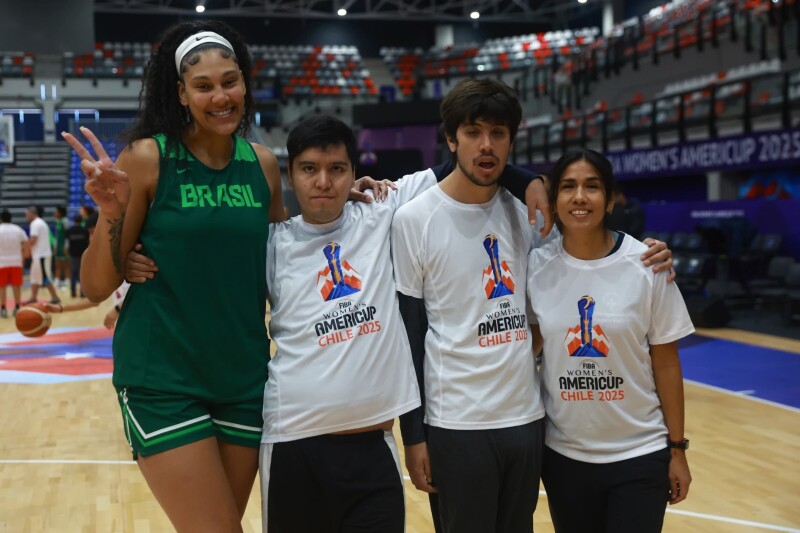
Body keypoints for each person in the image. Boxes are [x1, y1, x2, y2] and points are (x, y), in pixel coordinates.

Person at [390, 78, 674, 533]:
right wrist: (415, 434)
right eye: (473, 132)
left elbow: (590, 264)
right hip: (455, 421)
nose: (487, 145)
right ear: (450, 139)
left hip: (527, 417)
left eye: (498, 133)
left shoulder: (531, 215)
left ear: (512, 140)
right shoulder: (413, 219)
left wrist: (647, 253)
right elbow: (409, 334)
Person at [61, 20, 288, 532]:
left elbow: (287, 266)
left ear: (246, 83)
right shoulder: (148, 159)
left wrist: (359, 206)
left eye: (229, 81)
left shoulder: (264, 165)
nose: (220, 96)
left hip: (244, 377)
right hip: (162, 378)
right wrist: (111, 213)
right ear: (181, 94)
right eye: (203, 86)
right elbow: (95, 285)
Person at [527, 148, 693, 533]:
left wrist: (678, 449)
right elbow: (528, 343)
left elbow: (667, 363)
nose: (580, 197)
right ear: (554, 201)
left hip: (640, 455)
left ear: (611, 198)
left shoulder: (647, 265)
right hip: (564, 457)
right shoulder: (536, 266)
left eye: (592, 186)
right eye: (568, 187)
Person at [24, 206, 60, 305]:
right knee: (34, 276)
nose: (26, 216)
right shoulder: (40, 222)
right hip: (39, 255)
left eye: (27, 214)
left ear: (32, 213)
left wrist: (24, 247)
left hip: (41, 255)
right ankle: (33, 297)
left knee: (45, 277)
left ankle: (55, 297)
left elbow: (33, 240)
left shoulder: (36, 223)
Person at [0, 209, 30, 318]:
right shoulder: (18, 229)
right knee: (16, 286)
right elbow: (27, 242)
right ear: (11, 218)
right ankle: (17, 307)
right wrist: (25, 256)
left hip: (2, 263)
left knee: (2, 287)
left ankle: (3, 309)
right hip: (16, 262)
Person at [65, 214, 89, 297]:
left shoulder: (69, 230)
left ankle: (73, 292)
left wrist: (67, 251)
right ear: (81, 221)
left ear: (74, 220)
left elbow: (67, 243)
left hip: (73, 255)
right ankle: (82, 292)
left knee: (73, 273)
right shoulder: (85, 231)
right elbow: (88, 243)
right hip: (83, 255)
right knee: (82, 274)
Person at [53, 206, 70, 289]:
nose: (54, 213)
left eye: (56, 212)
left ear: (60, 213)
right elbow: (56, 235)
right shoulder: (57, 221)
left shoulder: (65, 221)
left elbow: (67, 235)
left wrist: (66, 246)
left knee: (66, 264)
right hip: (58, 245)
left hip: (64, 245)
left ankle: (67, 282)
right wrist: (55, 246)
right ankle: (57, 281)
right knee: (57, 264)